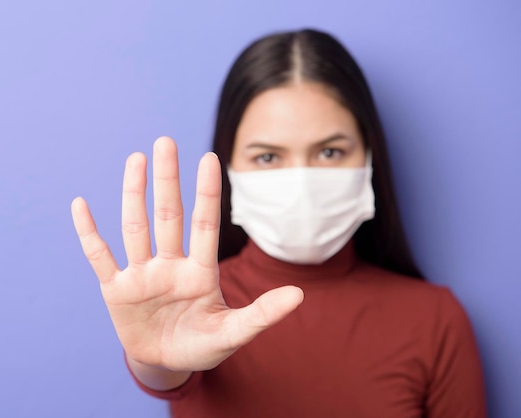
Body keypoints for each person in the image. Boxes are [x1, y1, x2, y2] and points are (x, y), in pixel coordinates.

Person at [71, 28, 486, 417]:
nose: (301, 182)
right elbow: (168, 372)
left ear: (369, 158)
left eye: (329, 152)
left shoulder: (435, 319)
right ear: (230, 164)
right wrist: (154, 360)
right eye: (268, 157)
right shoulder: (193, 304)